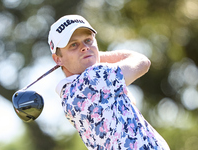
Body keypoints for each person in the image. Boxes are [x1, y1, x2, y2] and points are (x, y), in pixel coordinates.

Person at [48, 15, 170, 150]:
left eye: (88, 40)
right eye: (74, 45)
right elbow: (142, 61)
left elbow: (131, 101)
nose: (84, 47)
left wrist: (89, 55)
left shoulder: (67, 97)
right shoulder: (94, 77)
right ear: (57, 59)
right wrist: (95, 55)